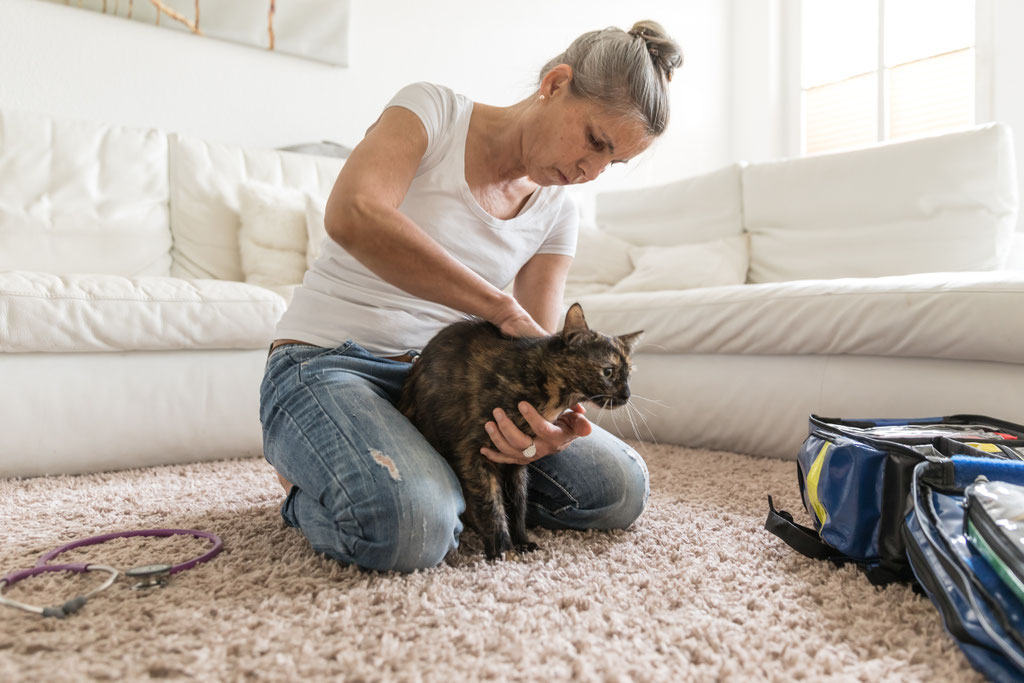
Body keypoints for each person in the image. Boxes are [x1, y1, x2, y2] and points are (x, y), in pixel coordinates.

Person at [259, 21, 683, 573]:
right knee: (414, 527)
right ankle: (311, 485)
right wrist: (499, 307)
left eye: (612, 163)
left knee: (618, 487)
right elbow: (352, 214)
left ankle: (420, 475)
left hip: (448, 392)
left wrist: (545, 432)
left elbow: (542, 352)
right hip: (328, 364)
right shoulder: (432, 111)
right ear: (555, 84)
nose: (590, 172)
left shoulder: (557, 214)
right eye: (595, 141)